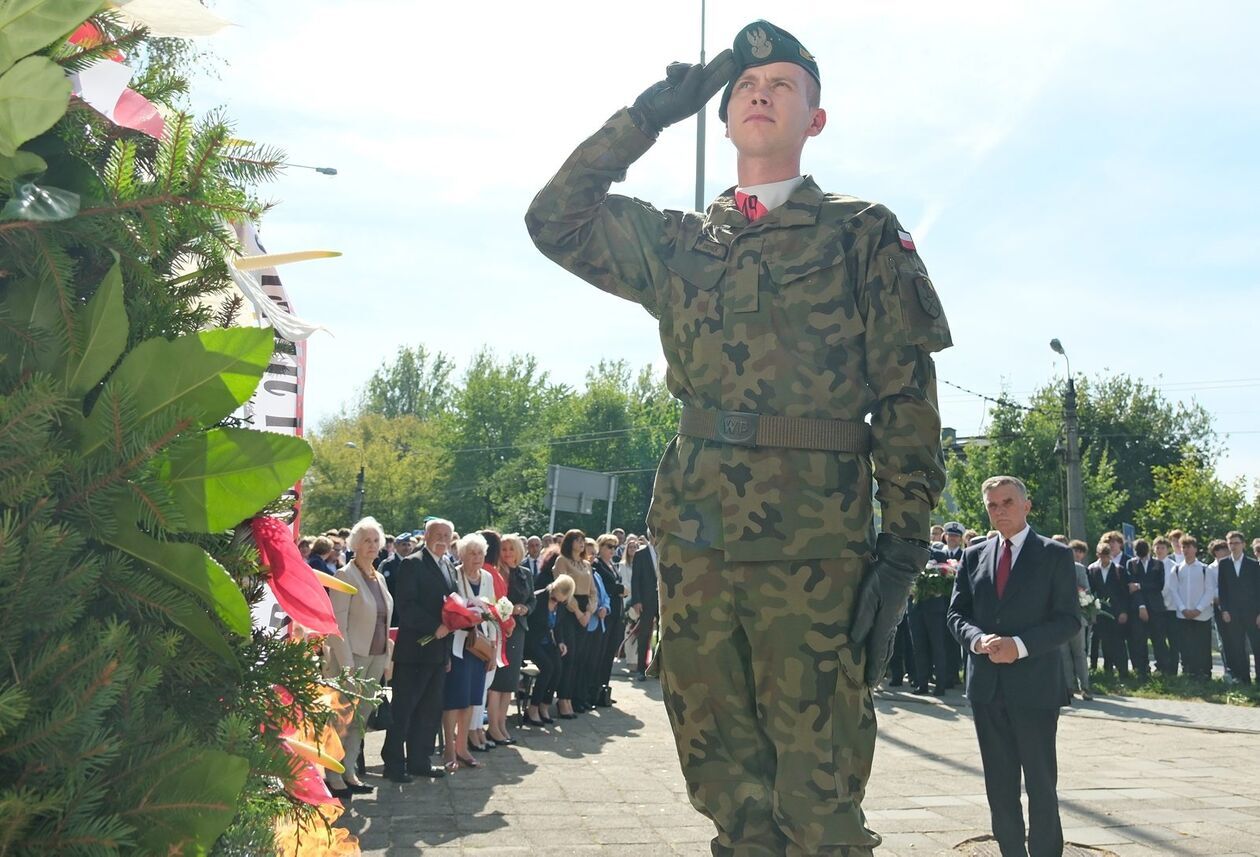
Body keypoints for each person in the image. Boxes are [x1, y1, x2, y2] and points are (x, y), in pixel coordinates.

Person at [527, 21, 951, 854]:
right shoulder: (679, 242)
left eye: (784, 84)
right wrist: (648, 115)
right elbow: (554, 219)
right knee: (723, 781)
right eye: (746, 87)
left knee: (819, 793)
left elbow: (906, 395)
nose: (762, 92)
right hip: (696, 540)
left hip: (816, 546)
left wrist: (902, 549)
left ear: (816, 120)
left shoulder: (862, 232)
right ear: (721, 119)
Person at [947, 476, 1078, 857]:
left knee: (1040, 782)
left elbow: (1068, 620)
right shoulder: (973, 556)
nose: (999, 510)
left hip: (1035, 687)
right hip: (987, 688)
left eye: (1007, 502)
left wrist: (1019, 647)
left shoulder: (1054, 554)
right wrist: (976, 640)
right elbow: (957, 614)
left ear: (1026, 506)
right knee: (999, 785)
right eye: (992, 505)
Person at [323, 516, 394, 799]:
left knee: (361, 720)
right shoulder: (344, 576)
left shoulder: (379, 577)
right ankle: (332, 775)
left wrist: (388, 657)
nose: (372, 546)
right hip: (350, 660)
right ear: (354, 544)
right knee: (341, 717)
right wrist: (347, 664)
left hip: (376, 656)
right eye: (366, 540)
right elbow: (336, 624)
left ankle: (348, 770)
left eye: (376, 541)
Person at [383, 518, 454, 782]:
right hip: (415, 651)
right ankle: (393, 763)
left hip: (438, 652)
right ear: (426, 536)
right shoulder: (413, 563)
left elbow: (451, 604)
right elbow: (406, 605)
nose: (443, 539)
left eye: (447, 535)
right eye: (438, 534)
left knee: (429, 710)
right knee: (404, 709)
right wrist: (433, 627)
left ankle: (419, 760)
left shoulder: (448, 565)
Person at [441, 533, 498, 770]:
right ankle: (449, 749)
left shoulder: (487, 577)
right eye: (471, 553)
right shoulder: (454, 574)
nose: (476, 558)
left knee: (472, 700)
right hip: (458, 645)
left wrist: (493, 649)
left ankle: (463, 747)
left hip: (480, 645)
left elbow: (493, 612)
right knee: (455, 698)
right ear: (462, 554)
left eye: (480, 553)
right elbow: (448, 607)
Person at [487, 533, 535, 743]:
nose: (507, 553)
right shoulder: (495, 573)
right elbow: (494, 601)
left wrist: (525, 609)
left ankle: (501, 725)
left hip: (519, 630)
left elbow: (532, 599)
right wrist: (509, 610)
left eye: (511, 549)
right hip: (499, 629)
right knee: (498, 681)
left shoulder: (525, 573)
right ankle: (493, 727)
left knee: (510, 682)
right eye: (504, 549)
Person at [524, 573, 574, 726]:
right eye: (554, 596)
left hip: (547, 642)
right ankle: (532, 708)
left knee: (558, 667)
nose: (556, 600)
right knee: (548, 667)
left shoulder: (561, 605)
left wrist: (560, 642)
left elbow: (558, 626)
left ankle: (544, 705)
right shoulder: (538, 598)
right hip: (531, 642)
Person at [553, 529, 593, 718]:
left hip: (585, 610)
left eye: (583, 540)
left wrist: (589, 611)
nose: (581, 543)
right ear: (569, 543)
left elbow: (593, 591)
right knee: (570, 655)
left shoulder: (586, 564)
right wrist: (577, 612)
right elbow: (562, 588)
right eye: (577, 540)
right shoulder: (562, 561)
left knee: (579, 657)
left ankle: (570, 697)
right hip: (569, 611)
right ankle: (562, 699)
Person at [1164, 536, 1214, 679]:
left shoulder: (1205, 569)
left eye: (1189, 547)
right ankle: (1188, 671)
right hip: (1183, 614)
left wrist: (1198, 608)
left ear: (1195, 549)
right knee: (1186, 645)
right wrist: (1182, 608)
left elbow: (1209, 591)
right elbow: (1173, 590)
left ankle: (1204, 673)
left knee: (1202, 645)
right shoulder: (1177, 569)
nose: (1185, 550)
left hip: (1202, 614)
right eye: (1183, 547)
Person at [1216, 530, 1260, 684]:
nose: (1233, 546)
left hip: (1252, 614)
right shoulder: (1224, 564)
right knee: (1237, 647)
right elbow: (1222, 590)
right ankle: (1243, 679)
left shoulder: (1253, 565)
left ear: (1243, 544)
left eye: (1236, 543)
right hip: (1233, 614)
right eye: (1230, 543)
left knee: (1257, 646)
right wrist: (1225, 610)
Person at [1124, 538, 1166, 680]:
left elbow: (1159, 585)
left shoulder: (1158, 564)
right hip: (1138, 607)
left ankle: (1161, 669)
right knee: (1139, 640)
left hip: (1156, 607)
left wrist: (1141, 585)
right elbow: (1131, 587)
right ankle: (1142, 670)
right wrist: (1141, 606)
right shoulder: (1131, 564)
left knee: (1158, 639)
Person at [592, 533, 625, 706]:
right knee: (601, 653)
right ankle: (595, 690)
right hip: (605, 614)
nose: (612, 550)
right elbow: (605, 587)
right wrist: (620, 589)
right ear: (601, 547)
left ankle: (603, 688)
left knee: (609, 653)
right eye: (609, 547)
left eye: (615, 547)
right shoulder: (597, 564)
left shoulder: (612, 564)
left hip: (616, 614)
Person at [1088, 544, 1130, 677]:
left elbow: (1124, 593)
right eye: (1102, 556)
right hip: (1099, 610)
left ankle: (1122, 670)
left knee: (1117, 640)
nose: (1104, 559)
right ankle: (1101, 669)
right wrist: (1092, 612)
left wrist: (1123, 611)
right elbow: (1091, 591)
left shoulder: (1119, 570)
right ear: (1098, 555)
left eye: (1107, 556)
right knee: (1099, 639)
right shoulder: (1093, 570)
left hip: (1115, 611)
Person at [1062, 540, 1093, 700]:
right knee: (1064, 654)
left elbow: (1086, 590)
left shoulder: (1079, 569)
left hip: (1077, 617)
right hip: (1059, 619)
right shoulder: (1054, 568)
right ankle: (1068, 687)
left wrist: (1078, 591)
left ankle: (1085, 687)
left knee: (1079, 653)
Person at [627, 532, 659, 681]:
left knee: (662, 635)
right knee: (644, 634)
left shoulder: (666, 552)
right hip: (646, 601)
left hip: (665, 600)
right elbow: (635, 580)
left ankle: (659, 667)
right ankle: (641, 669)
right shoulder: (641, 554)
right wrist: (636, 601)